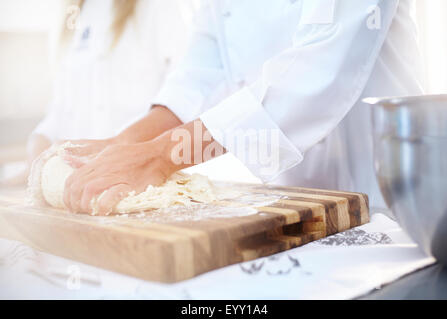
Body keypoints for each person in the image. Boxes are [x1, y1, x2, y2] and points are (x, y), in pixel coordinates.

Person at [62, 0, 424, 215]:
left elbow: (319, 73)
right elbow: (202, 73)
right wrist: (124, 145)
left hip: (390, 199)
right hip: (300, 203)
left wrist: (159, 156)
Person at [1, 0, 193, 185]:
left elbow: (184, 99)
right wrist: (38, 149)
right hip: (76, 186)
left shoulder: (160, 6)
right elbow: (60, 110)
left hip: (136, 181)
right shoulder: (69, 15)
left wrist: (124, 148)